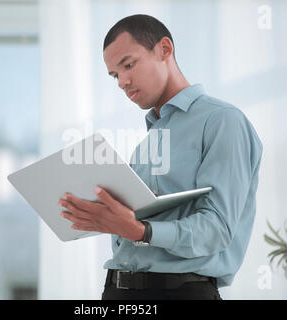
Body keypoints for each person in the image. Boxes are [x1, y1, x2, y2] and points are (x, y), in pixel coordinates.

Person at [58, 14, 263, 300]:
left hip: (180, 292)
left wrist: (141, 231)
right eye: (115, 75)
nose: (122, 82)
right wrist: (103, 216)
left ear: (165, 49)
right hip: (117, 291)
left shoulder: (222, 121)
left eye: (128, 65)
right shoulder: (146, 143)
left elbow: (216, 229)